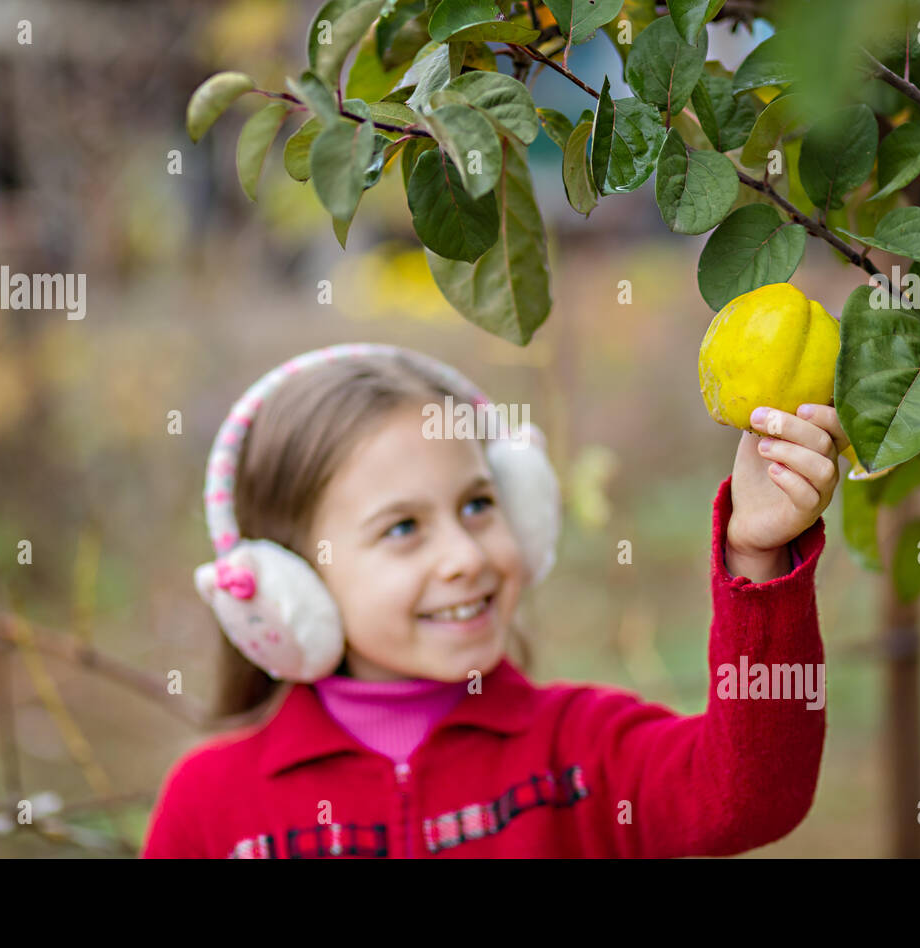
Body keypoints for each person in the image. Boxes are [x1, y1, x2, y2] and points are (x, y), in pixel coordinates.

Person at [141, 343, 848, 858]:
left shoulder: (581, 756)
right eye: (402, 528)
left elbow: (751, 798)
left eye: (479, 504)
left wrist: (756, 558)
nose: (466, 557)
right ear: (286, 585)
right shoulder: (210, 807)